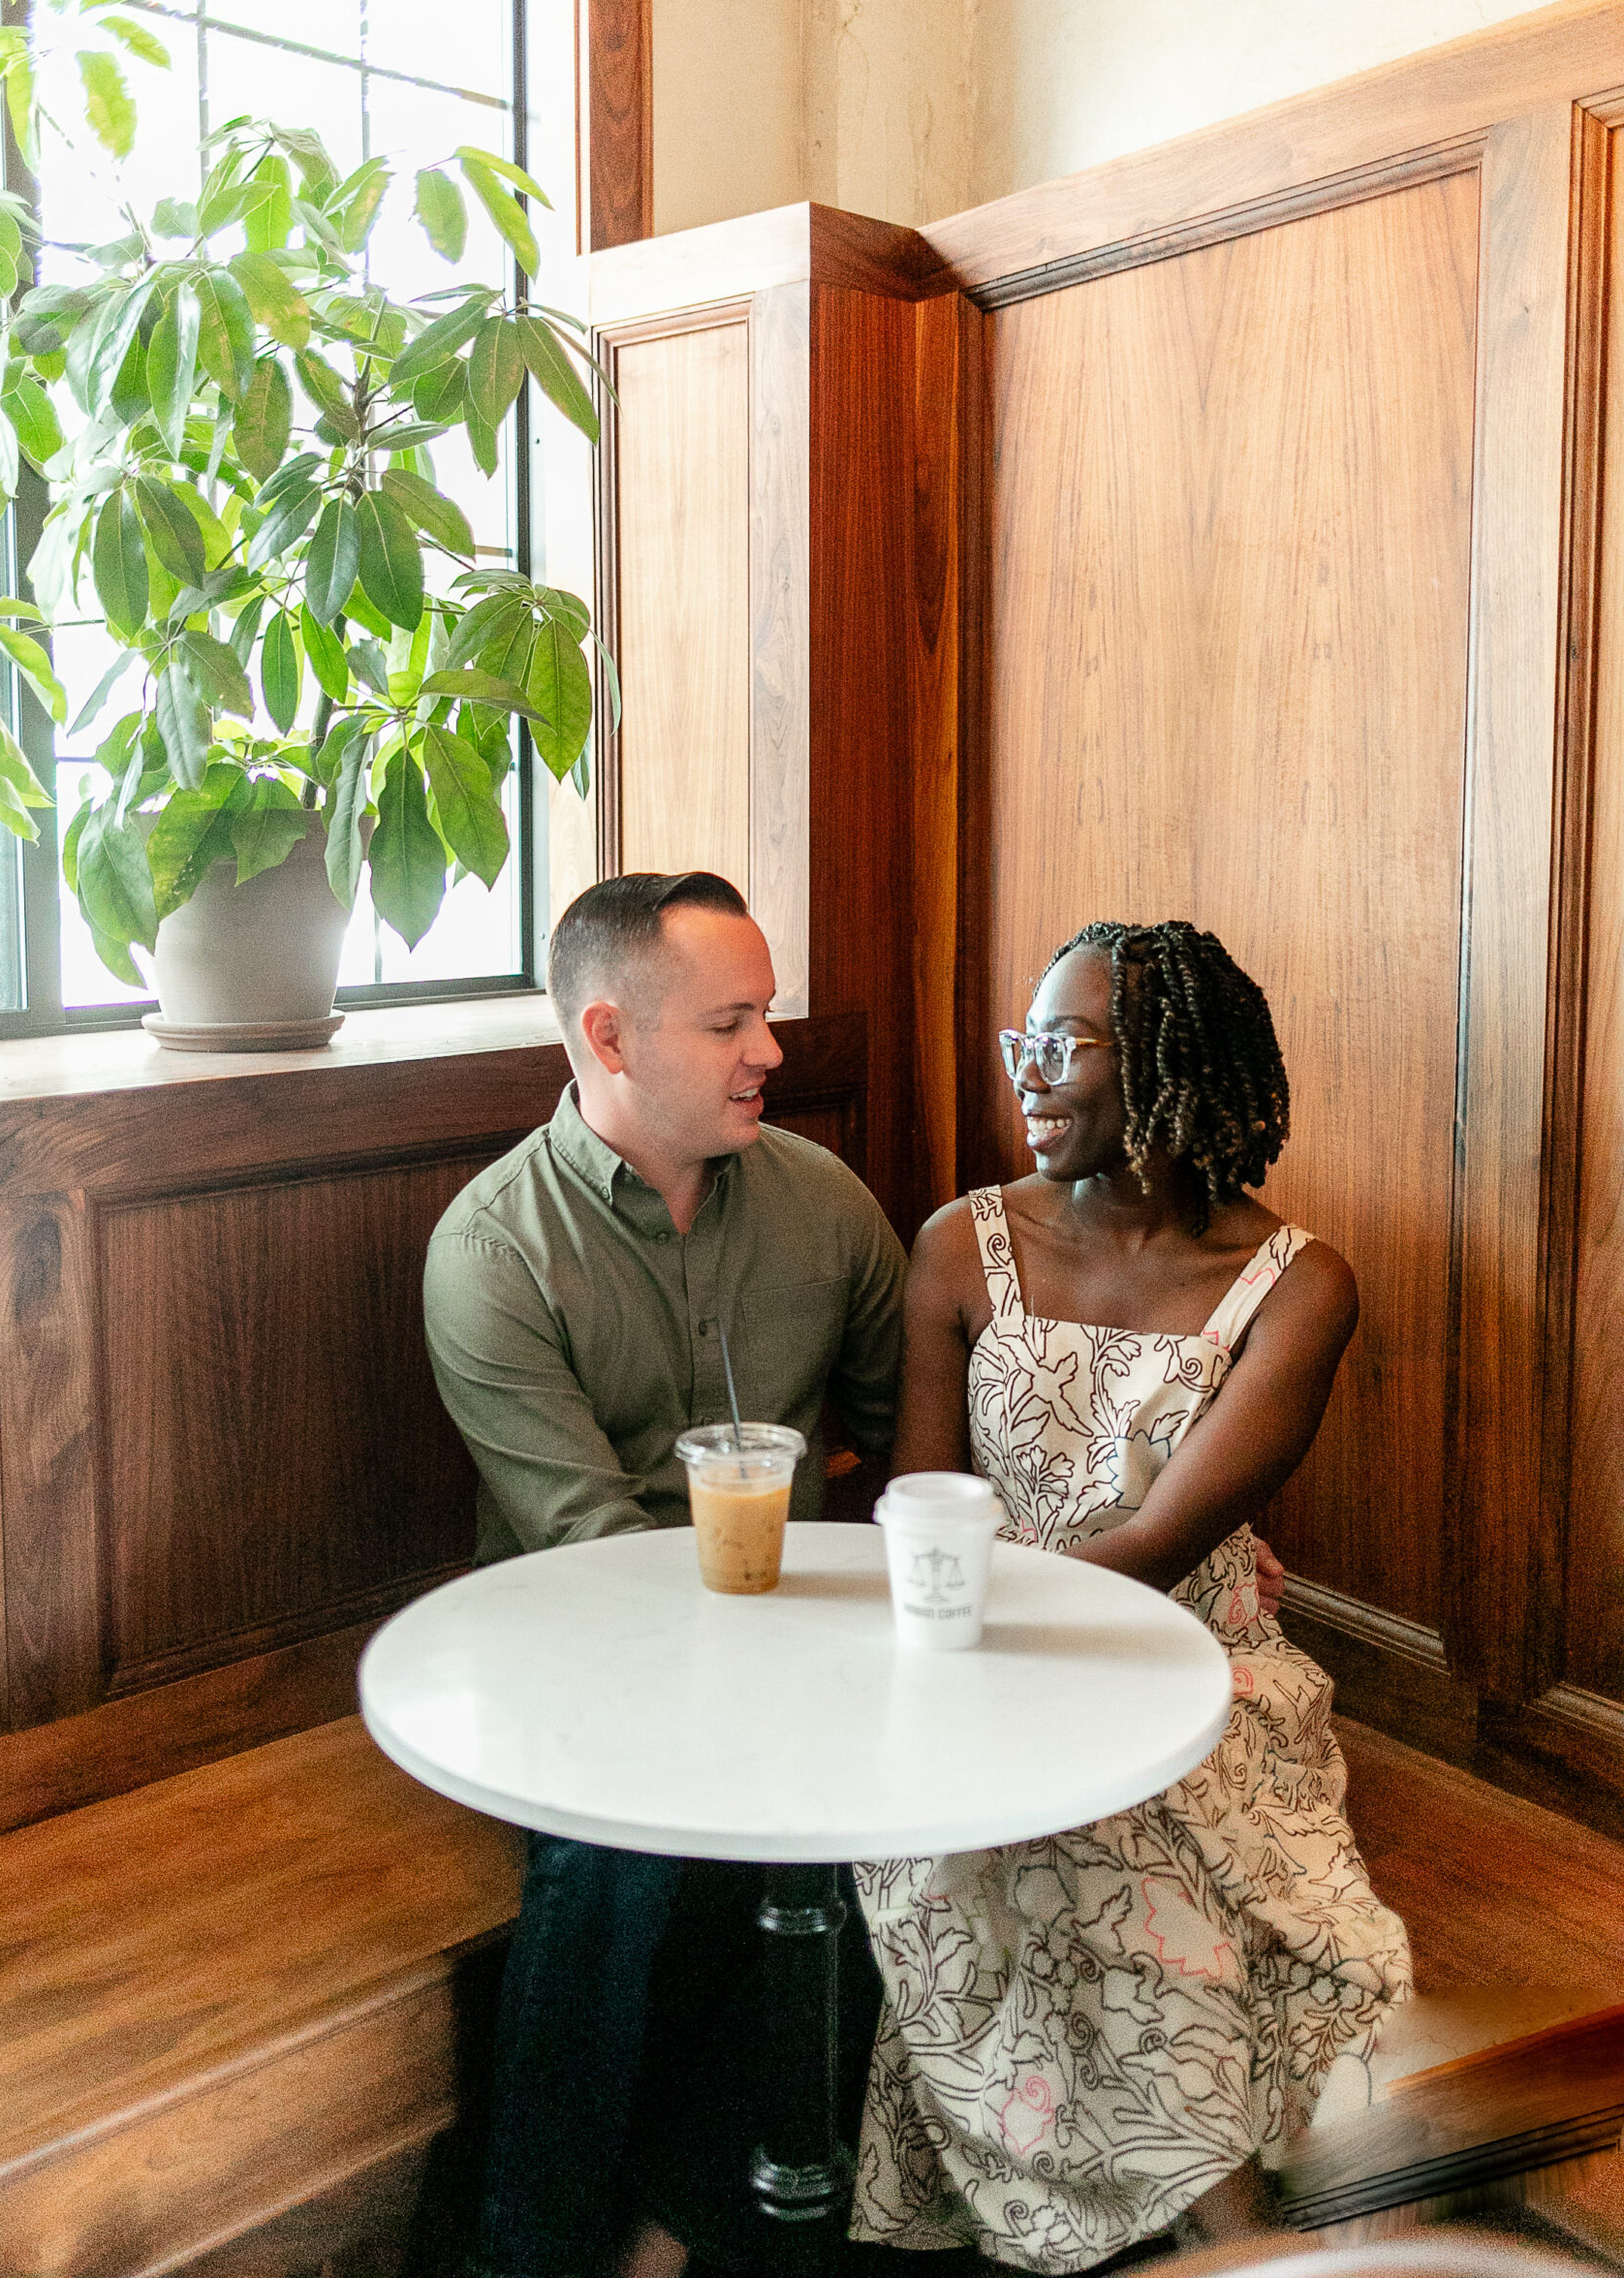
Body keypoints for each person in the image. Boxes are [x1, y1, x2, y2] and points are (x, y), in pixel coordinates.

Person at [849, 920, 1412, 2272]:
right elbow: (925, 1507)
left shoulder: (1298, 1289)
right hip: (975, 1660)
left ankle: (1219, 2216)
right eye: (1017, 1044)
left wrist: (975, 1606)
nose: (1026, 1078)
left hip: (1190, 1665)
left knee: (1166, 1861)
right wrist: (952, 1640)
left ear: (1168, 1067)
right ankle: (1235, 2234)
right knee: (1045, 1833)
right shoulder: (956, 1248)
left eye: (1063, 1046)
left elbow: (1163, 1546)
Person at [422, 870, 907, 2278]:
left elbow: (911, 1441)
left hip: (808, 1650)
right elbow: (591, 1559)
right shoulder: (495, 1249)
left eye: (769, 1016)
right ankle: (539, 2254)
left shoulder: (826, 1207)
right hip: (577, 1669)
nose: (772, 1050)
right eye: (732, 1020)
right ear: (613, 1037)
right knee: (632, 1861)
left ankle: (687, 2226)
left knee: (910, 1860)